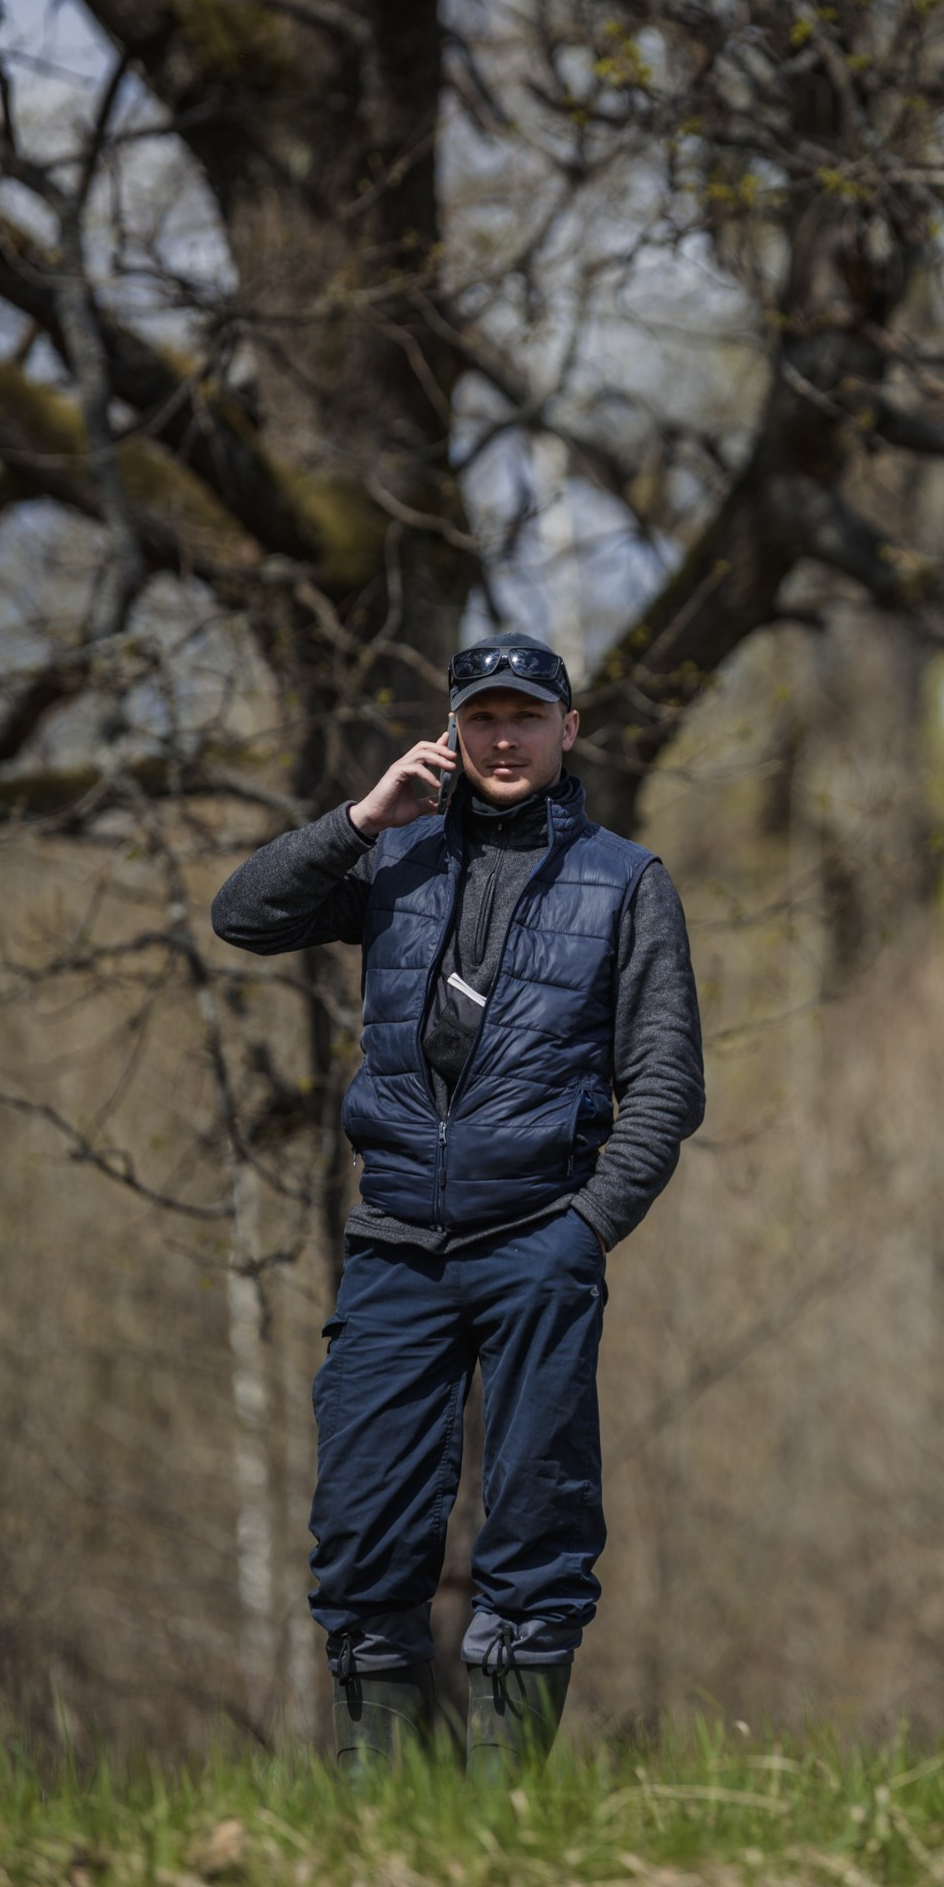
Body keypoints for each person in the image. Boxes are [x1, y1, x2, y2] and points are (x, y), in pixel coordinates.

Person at [211, 638, 704, 1779]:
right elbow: (243, 914)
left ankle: (502, 1811)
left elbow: (667, 1085)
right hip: (394, 1244)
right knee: (361, 1530)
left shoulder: (627, 881)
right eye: (482, 716)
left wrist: (580, 1233)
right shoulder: (397, 861)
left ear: (566, 730)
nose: (502, 738)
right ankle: (378, 1805)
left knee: (535, 1531)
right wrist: (359, 818)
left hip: (538, 1239)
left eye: (525, 717)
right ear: (451, 729)